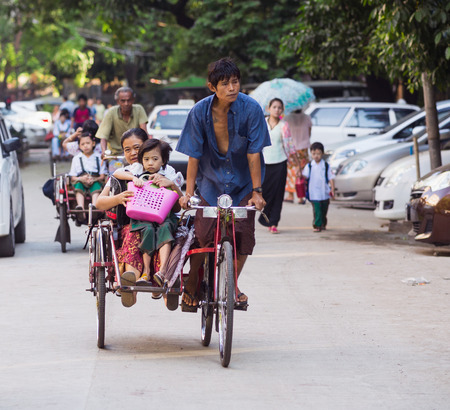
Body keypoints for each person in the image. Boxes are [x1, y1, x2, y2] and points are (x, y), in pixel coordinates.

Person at [176, 57, 271, 308]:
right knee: (203, 236)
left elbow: (254, 153)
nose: (232, 88)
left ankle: (233, 283)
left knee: (243, 235)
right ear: (212, 87)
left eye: (236, 82)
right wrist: (187, 194)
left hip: (243, 184)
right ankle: (193, 284)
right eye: (225, 83)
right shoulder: (199, 112)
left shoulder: (252, 109)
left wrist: (257, 192)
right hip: (210, 183)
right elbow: (193, 156)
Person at [112, 138, 183, 291]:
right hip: (142, 214)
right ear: (141, 160)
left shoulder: (169, 172)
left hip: (164, 215)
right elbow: (117, 172)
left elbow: (180, 199)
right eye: (146, 159)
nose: (150, 163)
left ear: (163, 160)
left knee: (165, 229)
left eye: (155, 159)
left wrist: (170, 183)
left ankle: (163, 270)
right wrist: (133, 178)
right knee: (148, 230)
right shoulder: (137, 169)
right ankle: (146, 271)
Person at [96, 128, 148, 307]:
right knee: (133, 234)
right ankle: (129, 283)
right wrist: (117, 198)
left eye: (137, 147)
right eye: (127, 149)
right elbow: (99, 203)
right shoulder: (121, 173)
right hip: (130, 226)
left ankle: (163, 284)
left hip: (158, 225)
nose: (133, 153)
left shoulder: (161, 168)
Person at [258, 98, 300, 234]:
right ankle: (265, 216)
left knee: (278, 194)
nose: (277, 110)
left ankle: (273, 222)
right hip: (263, 163)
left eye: (279, 108)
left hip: (280, 163)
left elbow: (289, 145)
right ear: (268, 108)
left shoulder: (284, 125)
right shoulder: (262, 123)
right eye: (274, 107)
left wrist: (297, 164)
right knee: (265, 192)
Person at [96, 86, 148, 157]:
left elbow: (144, 133)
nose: (126, 103)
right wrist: (104, 152)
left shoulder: (139, 109)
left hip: (135, 153)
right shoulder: (111, 112)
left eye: (129, 100)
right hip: (116, 155)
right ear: (117, 101)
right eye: (123, 101)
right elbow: (104, 137)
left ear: (133, 100)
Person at [68, 132, 107, 224]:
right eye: (82, 144)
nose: (85, 146)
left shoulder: (99, 157)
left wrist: (94, 179)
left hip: (95, 180)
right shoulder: (76, 158)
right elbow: (73, 177)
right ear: (79, 146)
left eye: (88, 143)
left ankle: (94, 208)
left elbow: (102, 176)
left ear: (93, 144)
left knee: (97, 186)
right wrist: (81, 179)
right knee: (78, 185)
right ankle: (80, 208)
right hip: (81, 180)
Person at [302, 142, 335, 232]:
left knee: (324, 209)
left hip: (324, 192)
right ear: (311, 154)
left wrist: (332, 189)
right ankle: (317, 225)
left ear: (322, 154)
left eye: (318, 154)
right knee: (317, 210)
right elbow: (305, 176)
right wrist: (300, 175)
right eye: (314, 154)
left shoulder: (326, 165)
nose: (316, 156)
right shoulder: (309, 166)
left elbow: (331, 178)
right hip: (314, 192)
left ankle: (323, 223)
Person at [284, 108, 312, 204]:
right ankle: (301, 196)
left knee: (291, 171)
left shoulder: (287, 118)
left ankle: (291, 196)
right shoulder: (307, 117)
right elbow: (309, 132)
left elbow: (285, 134)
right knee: (303, 171)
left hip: (292, 148)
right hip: (303, 148)